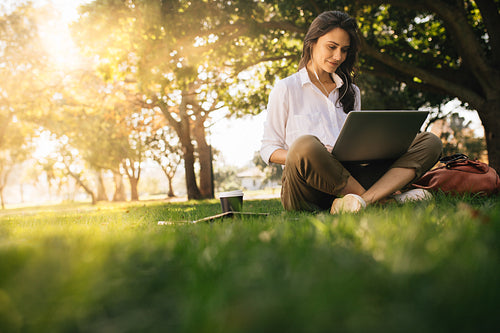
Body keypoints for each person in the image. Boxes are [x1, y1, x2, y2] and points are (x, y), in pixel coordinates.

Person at [260, 11, 442, 214]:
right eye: (331, 47)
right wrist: (317, 154)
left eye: (344, 50)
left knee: (430, 141)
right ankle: (384, 201)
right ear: (312, 42)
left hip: (350, 176)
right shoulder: (287, 88)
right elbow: (268, 149)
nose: (338, 56)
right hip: (305, 189)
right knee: (305, 145)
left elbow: (357, 142)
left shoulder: (351, 91)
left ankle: (361, 202)